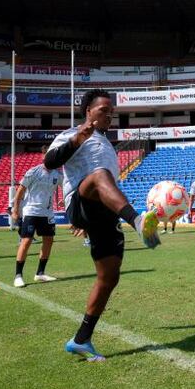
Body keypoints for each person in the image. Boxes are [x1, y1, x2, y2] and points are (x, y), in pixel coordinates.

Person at [44, 88, 159, 361]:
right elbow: (49, 162)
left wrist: (94, 219)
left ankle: (82, 339)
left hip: (100, 213)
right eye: (103, 110)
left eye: (111, 111)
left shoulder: (107, 144)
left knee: (110, 276)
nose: (109, 115)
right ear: (88, 112)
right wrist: (77, 138)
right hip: (80, 201)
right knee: (98, 176)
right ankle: (138, 220)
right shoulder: (70, 135)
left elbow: (109, 186)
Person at [11, 157, 63, 287]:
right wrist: (15, 210)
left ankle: (40, 273)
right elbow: (20, 191)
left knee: (49, 240)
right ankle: (18, 275)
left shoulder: (57, 174)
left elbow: (66, 188)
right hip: (31, 211)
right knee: (26, 241)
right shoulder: (33, 172)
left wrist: (65, 199)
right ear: (44, 158)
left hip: (48, 213)